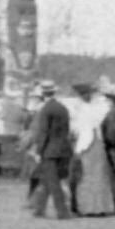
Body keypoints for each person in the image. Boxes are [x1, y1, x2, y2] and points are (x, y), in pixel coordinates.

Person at [27, 81, 72, 220]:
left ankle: (62, 211)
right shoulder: (62, 107)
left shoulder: (45, 109)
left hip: (50, 151)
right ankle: (39, 209)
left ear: (42, 93)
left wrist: (38, 150)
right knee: (47, 180)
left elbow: (44, 132)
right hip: (63, 149)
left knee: (53, 182)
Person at [71, 84, 115, 216]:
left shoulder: (83, 109)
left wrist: (78, 148)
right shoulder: (100, 107)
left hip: (87, 144)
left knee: (87, 176)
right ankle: (101, 207)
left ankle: (88, 207)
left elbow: (79, 130)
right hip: (96, 143)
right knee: (99, 176)